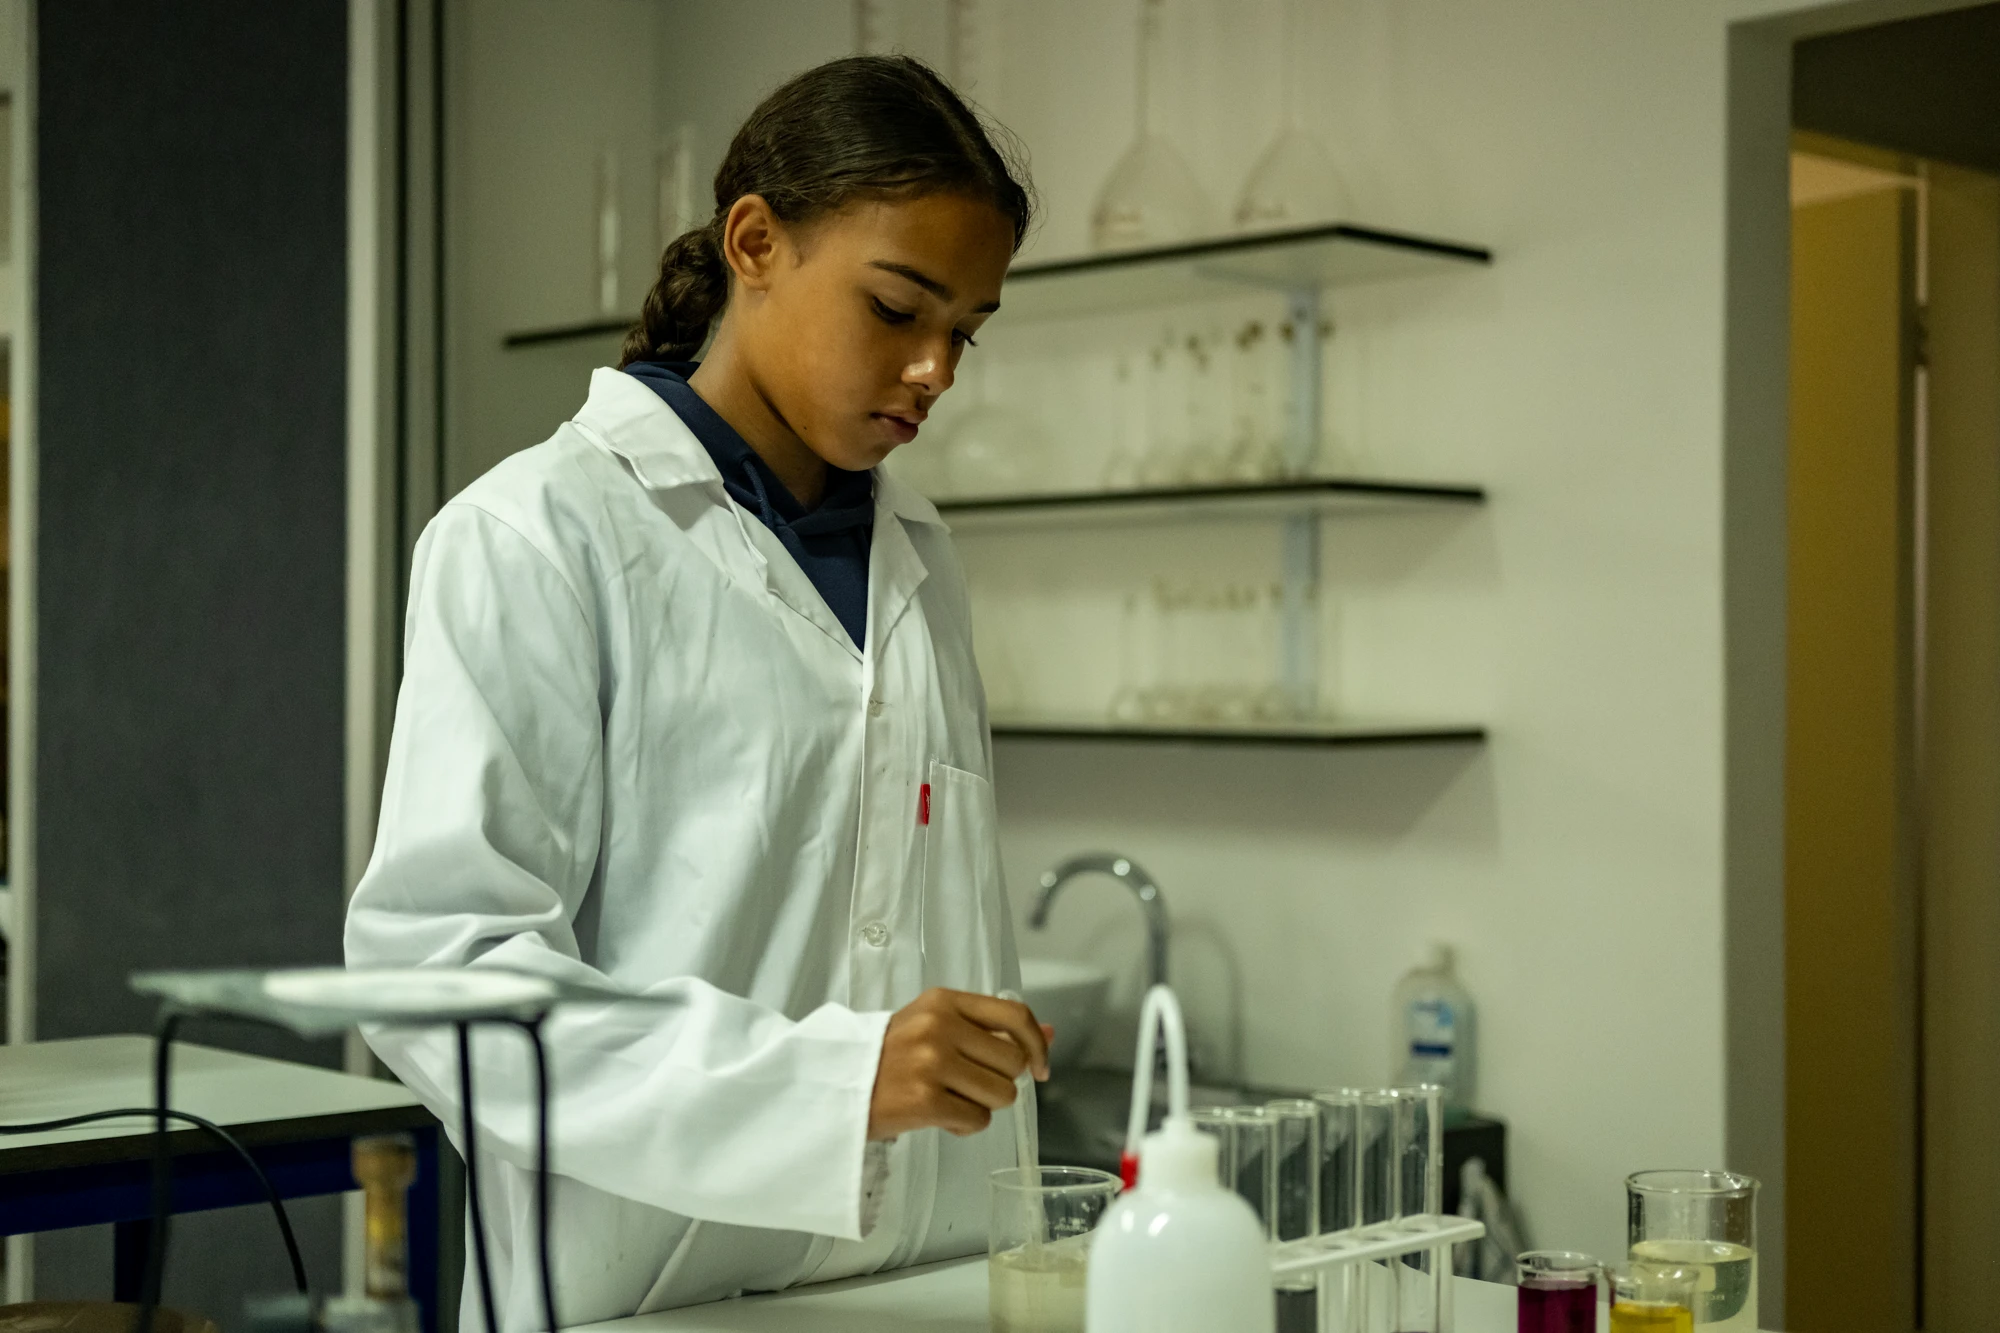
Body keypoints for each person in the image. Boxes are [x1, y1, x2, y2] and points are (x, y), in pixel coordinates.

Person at [344, 54, 1048, 1331]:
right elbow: (439, 977)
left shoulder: (917, 552)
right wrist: (832, 1086)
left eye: (967, 332)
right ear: (754, 240)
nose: (936, 369)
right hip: (643, 1299)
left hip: (926, 1286)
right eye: (897, 309)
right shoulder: (535, 534)